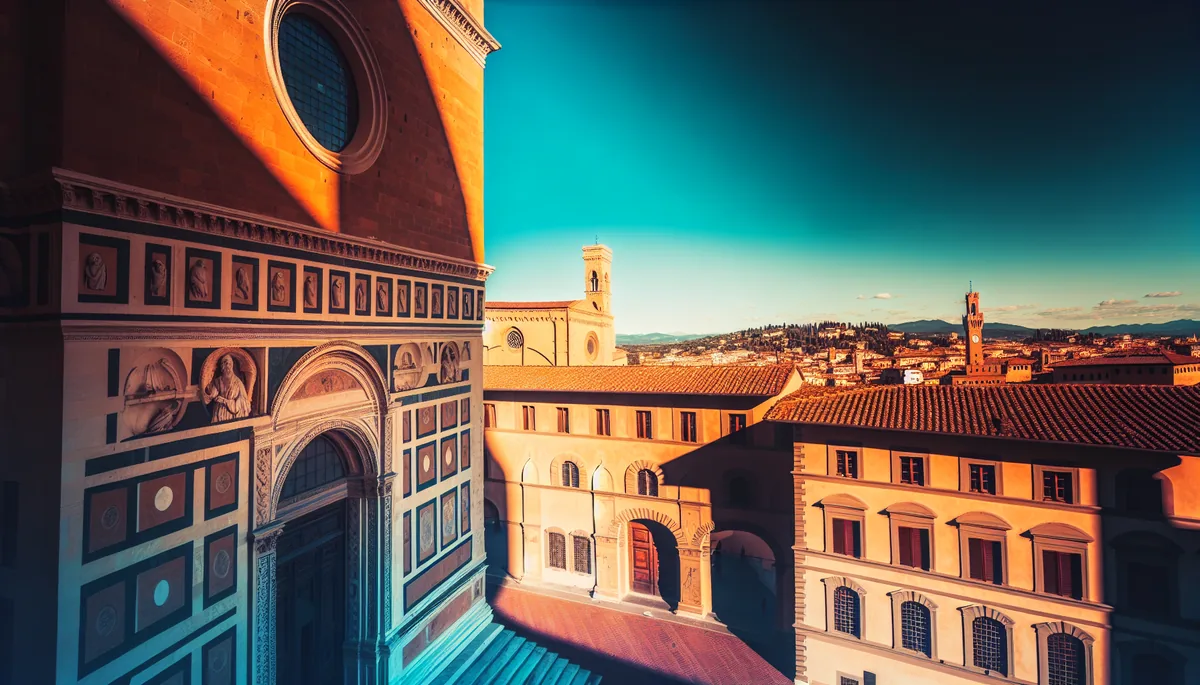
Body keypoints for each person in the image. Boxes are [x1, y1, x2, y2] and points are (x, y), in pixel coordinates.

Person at [204, 355, 251, 423]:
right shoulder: (218, 381)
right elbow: (212, 395)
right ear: (221, 366)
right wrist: (209, 390)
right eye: (224, 363)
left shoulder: (237, 383)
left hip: (231, 416)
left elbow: (243, 402)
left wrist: (225, 401)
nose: (227, 366)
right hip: (219, 413)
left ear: (232, 365)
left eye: (228, 363)